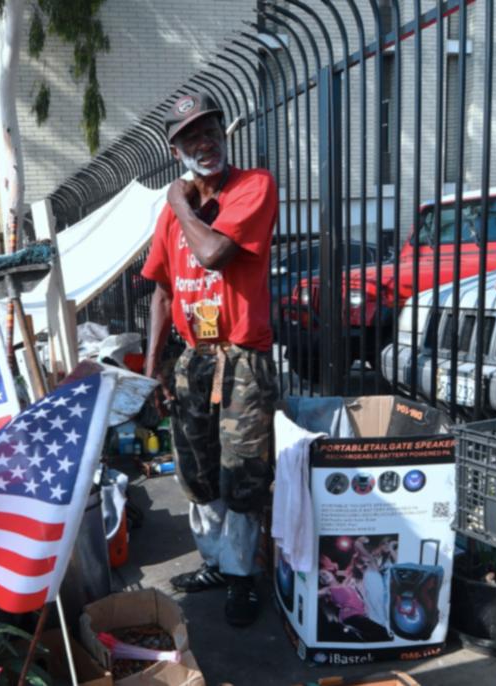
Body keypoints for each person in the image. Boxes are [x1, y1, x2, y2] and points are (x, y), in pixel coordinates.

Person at [141, 92, 279, 627]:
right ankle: (216, 563)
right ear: (175, 150)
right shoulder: (171, 214)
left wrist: (179, 204)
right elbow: (161, 291)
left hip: (243, 358)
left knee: (242, 473)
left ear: (224, 134)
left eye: (211, 131)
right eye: (191, 137)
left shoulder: (253, 187)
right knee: (196, 470)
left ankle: (243, 576)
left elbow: (214, 254)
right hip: (194, 358)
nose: (205, 143)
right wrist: (152, 368)